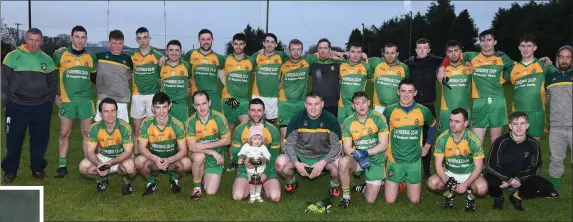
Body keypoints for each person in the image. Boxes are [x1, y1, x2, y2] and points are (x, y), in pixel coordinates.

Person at [437, 30, 550, 145]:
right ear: (480, 43)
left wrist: (539, 62)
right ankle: (478, 163)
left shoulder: (502, 58)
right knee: (476, 141)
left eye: (489, 40)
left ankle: (493, 163)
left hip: (498, 102)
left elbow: (520, 68)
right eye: (483, 40)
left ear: (495, 42)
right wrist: (442, 68)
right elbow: (450, 57)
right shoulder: (472, 56)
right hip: (479, 102)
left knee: (495, 140)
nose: (486, 43)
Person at [1, 28, 57, 183]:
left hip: (41, 107)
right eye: (31, 39)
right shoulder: (12, 57)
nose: (34, 43)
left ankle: (38, 169)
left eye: (37, 40)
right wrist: (5, 102)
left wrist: (49, 101)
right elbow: (4, 82)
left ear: (42, 41)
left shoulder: (47, 59)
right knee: (13, 140)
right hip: (16, 106)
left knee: (40, 140)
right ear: (25, 39)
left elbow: (53, 84)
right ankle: (10, 171)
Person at [484, 112, 558, 211]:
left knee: (549, 188)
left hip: (521, 176)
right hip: (501, 174)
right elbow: (491, 165)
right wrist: (509, 180)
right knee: (485, 183)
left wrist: (518, 179)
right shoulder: (501, 141)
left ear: (527, 126)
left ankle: (517, 196)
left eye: (522, 123)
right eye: (515, 124)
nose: (519, 127)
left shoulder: (533, 143)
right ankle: (498, 197)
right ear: (510, 126)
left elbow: (535, 167)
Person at [275, 92, 342, 197]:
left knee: (340, 164)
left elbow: (337, 147)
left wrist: (323, 162)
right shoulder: (296, 119)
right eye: (310, 104)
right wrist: (296, 163)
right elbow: (288, 145)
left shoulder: (331, 120)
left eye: (316, 104)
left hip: (323, 156)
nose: (313, 107)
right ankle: (291, 182)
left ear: (322, 104)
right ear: (305, 104)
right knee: (280, 163)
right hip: (301, 156)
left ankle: (334, 186)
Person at [53, 26, 98, 178]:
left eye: (83, 37)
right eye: (77, 37)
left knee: (87, 133)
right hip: (67, 101)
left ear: (86, 38)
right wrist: (55, 94)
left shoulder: (91, 56)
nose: (80, 40)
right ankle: (62, 165)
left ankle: (88, 162)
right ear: (71, 37)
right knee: (65, 133)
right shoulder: (60, 55)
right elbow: (52, 75)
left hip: (85, 101)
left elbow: (94, 78)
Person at [382, 79, 437, 204]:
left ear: (415, 93)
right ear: (398, 92)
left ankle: (404, 181)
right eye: (403, 91)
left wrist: (427, 147)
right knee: (390, 201)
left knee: (415, 200)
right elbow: (381, 129)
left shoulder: (423, 111)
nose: (406, 95)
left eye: (410, 91)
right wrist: (384, 147)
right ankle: (398, 181)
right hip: (394, 159)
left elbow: (433, 126)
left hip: (414, 160)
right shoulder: (389, 111)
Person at [427, 108, 488, 212]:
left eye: (457, 121)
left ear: (466, 123)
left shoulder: (473, 140)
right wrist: (447, 181)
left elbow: (478, 168)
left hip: (469, 173)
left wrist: (465, 184)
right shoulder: (443, 138)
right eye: (451, 121)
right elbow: (437, 165)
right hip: (450, 173)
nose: (452, 124)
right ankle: (449, 195)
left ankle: (470, 198)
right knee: (432, 183)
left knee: (482, 188)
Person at [338, 91, 389, 208]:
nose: (361, 106)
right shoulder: (348, 122)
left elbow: (383, 145)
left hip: (375, 159)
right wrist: (357, 155)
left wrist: (365, 153)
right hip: (357, 158)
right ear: (353, 106)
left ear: (369, 103)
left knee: (370, 200)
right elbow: (346, 147)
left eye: (363, 102)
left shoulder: (379, 118)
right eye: (357, 103)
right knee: (343, 162)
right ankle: (346, 197)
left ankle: (363, 187)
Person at [135, 92, 192, 196]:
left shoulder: (177, 124)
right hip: (154, 160)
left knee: (187, 163)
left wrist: (169, 160)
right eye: (158, 107)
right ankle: (151, 181)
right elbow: (141, 148)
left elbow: (184, 151)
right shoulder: (146, 123)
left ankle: (174, 178)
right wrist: (155, 158)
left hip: (171, 161)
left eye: (164, 107)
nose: (161, 111)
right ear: (152, 108)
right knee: (139, 161)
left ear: (169, 106)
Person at [78, 97, 136, 194]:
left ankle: (128, 182)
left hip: (121, 157)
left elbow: (128, 152)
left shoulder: (124, 127)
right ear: (100, 113)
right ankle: (101, 180)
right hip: (104, 157)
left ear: (117, 112)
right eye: (106, 111)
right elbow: (90, 152)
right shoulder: (94, 128)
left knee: (130, 167)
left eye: (113, 111)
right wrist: (99, 164)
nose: (110, 114)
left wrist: (110, 163)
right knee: (83, 167)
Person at [506, 34, 557, 142]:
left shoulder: (543, 64)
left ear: (535, 48)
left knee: (534, 147)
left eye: (529, 46)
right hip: (517, 113)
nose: (525, 49)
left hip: (536, 113)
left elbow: (561, 77)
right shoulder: (513, 67)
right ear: (519, 47)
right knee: (517, 147)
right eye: (523, 46)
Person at [405, 38, 443, 179]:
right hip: (412, 106)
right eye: (419, 48)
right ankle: (408, 167)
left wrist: (443, 67)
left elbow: (449, 59)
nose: (422, 51)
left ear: (429, 50)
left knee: (427, 139)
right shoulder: (409, 63)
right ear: (415, 50)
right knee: (410, 138)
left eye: (425, 48)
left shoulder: (434, 61)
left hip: (428, 105)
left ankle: (426, 171)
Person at [231, 98, 282, 202]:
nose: (256, 113)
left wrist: (263, 176)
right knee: (238, 196)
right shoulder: (239, 130)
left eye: (259, 110)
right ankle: (251, 185)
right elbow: (236, 156)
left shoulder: (273, 131)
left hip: (267, 169)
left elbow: (273, 158)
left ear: (264, 112)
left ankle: (262, 186)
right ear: (248, 112)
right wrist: (244, 161)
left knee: (275, 197)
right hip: (245, 170)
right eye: (253, 110)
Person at [186, 90, 231, 200]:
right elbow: (192, 146)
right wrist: (212, 151)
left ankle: (203, 176)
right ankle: (197, 188)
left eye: (204, 103)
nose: (202, 108)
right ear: (194, 106)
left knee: (210, 191)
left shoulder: (219, 117)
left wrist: (204, 146)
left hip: (215, 159)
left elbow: (227, 140)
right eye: (198, 104)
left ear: (209, 103)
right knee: (199, 157)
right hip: (203, 154)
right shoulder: (191, 121)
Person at [278, 39, 321, 152]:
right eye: (293, 49)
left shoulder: (307, 61)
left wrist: (342, 54)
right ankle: (284, 158)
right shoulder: (282, 64)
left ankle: (300, 159)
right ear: (289, 50)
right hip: (285, 104)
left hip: (301, 104)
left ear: (302, 50)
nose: (296, 52)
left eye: (298, 49)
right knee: (285, 134)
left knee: (302, 134)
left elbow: (324, 51)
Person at [220, 33, 254, 172]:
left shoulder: (251, 61)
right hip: (230, 100)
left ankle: (245, 158)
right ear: (232, 44)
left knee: (245, 130)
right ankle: (233, 160)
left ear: (244, 44)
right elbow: (217, 70)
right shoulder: (226, 59)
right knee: (231, 131)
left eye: (241, 44)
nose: (238, 47)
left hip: (244, 101)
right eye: (236, 44)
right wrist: (224, 84)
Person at [130, 27, 165, 156]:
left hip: (152, 96)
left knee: (152, 128)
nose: (142, 41)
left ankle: (153, 153)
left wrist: (164, 59)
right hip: (137, 95)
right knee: (137, 128)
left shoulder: (157, 55)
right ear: (136, 40)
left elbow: (164, 69)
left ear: (149, 38)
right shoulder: (133, 56)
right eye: (139, 38)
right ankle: (137, 154)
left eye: (145, 37)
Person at [545, 45, 572, 192]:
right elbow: (546, 98)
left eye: (568, 57)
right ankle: (553, 189)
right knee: (556, 159)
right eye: (562, 56)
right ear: (557, 58)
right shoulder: (549, 77)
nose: (565, 60)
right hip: (556, 127)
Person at [94, 30, 133, 123]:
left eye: (120, 43)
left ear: (123, 43)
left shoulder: (128, 59)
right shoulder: (99, 57)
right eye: (114, 43)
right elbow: (83, 57)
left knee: (122, 131)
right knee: (101, 131)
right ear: (109, 43)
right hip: (103, 100)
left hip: (121, 100)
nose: (117, 46)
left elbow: (131, 75)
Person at [250, 33, 289, 123]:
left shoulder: (281, 56)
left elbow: (292, 66)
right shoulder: (256, 55)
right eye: (267, 42)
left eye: (272, 42)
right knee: (256, 122)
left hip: (273, 96)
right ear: (263, 43)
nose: (269, 44)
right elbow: (246, 66)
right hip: (257, 94)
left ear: (276, 44)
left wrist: (283, 81)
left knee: (269, 124)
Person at [183, 29, 226, 113]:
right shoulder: (191, 54)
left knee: (217, 122)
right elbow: (181, 69)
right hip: (196, 96)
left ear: (212, 40)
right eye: (203, 39)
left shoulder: (219, 58)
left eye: (208, 39)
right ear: (199, 40)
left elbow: (223, 79)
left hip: (214, 96)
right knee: (196, 124)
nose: (206, 42)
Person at [437, 40, 472, 132]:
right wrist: (442, 67)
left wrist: (467, 60)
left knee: (464, 141)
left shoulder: (469, 67)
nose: (453, 54)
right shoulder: (441, 70)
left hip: (465, 110)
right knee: (445, 140)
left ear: (461, 51)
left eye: (456, 50)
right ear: (446, 53)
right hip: (446, 111)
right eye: (450, 51)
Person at [367, 43, 410, 114]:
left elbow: (407, 85)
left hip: (397, 107)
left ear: (397, 53)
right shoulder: (376, 62)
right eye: (387, 53)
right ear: (383, 54)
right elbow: (360, 61)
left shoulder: (404, 68)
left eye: (392, 53)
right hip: (378, 107)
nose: (390, 56)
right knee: (379, 125)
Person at [337, 42, 373, 124]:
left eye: (358, 52)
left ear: (362, 54)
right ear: (348, 53)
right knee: (342, 131)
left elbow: (373, 79)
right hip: (342, 105)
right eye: (353, 52)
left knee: (357, 131)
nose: (355, 55)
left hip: (359, 105)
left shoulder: (366, 66)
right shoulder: (341, 65)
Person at [309, 38, 344, 117]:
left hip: (332, 104)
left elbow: (351, 61)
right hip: (316, 103)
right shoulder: (312, 64)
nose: (323, 50)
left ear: (329, 49)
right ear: (317, 49)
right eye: (320, 48)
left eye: (325, 48)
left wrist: (337, 56)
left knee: (332, 128)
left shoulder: (337, 63)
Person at [160, 40, 192, 123]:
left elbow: (192, 80)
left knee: (182, 132)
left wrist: (190, 88)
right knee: (166, 133)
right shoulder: (161, 66)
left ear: (181, 52)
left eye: (177, 50)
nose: (174, 53)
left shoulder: (187, 66)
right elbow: (157, 81)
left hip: (182, 106)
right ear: (166, 52)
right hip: (165, 106)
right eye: (171, 50)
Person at [237, 134, 271, 203]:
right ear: (250, 139)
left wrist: (262, 161)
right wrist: (241, 159)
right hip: (250, 169)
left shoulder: (263, 147)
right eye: (255, 139)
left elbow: (267, 157)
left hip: (260, 169)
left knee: (259, 182)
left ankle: (258, 195)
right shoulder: (246, 146)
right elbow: (242, 154)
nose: (257, 141)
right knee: (251, 182)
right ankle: (252, 196)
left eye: (259, 139)